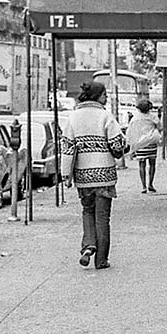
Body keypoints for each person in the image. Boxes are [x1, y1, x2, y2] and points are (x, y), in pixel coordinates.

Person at [60, 81, 127, 270]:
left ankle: (88, 246)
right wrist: (121, 149)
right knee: (103, 217)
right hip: (105, 176)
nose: (106, 98)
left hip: (83, 177)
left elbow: (67, 149)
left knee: (87, 211)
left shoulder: (73, 118)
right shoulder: (106, 116)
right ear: (98, 96)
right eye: (104, 94)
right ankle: (101, 260)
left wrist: (66, 174)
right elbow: (116, 147)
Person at [127, 98, 160, 193]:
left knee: (142, 165)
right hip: (151, 143)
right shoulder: (152, 117)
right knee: (152, 164)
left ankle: (143, 186)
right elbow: (160, 126)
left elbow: (130, 132)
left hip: (140, 144)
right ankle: (151, 184)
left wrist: (131, 146)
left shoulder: (135, 118)